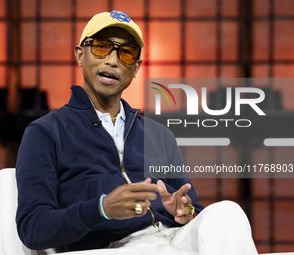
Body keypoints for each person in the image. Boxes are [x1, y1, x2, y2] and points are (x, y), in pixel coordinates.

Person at [16, 11, 258, 255]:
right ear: (80, 55)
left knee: (228, 211)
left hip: (173, 236)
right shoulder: (46, 132)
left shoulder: (159, 134)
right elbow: (32, 227)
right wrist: (102, 209)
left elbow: (190, 207)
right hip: (110, 246)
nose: (112, 61)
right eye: (101, 47)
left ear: (136, 68)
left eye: (126, 53)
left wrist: (184, 212)